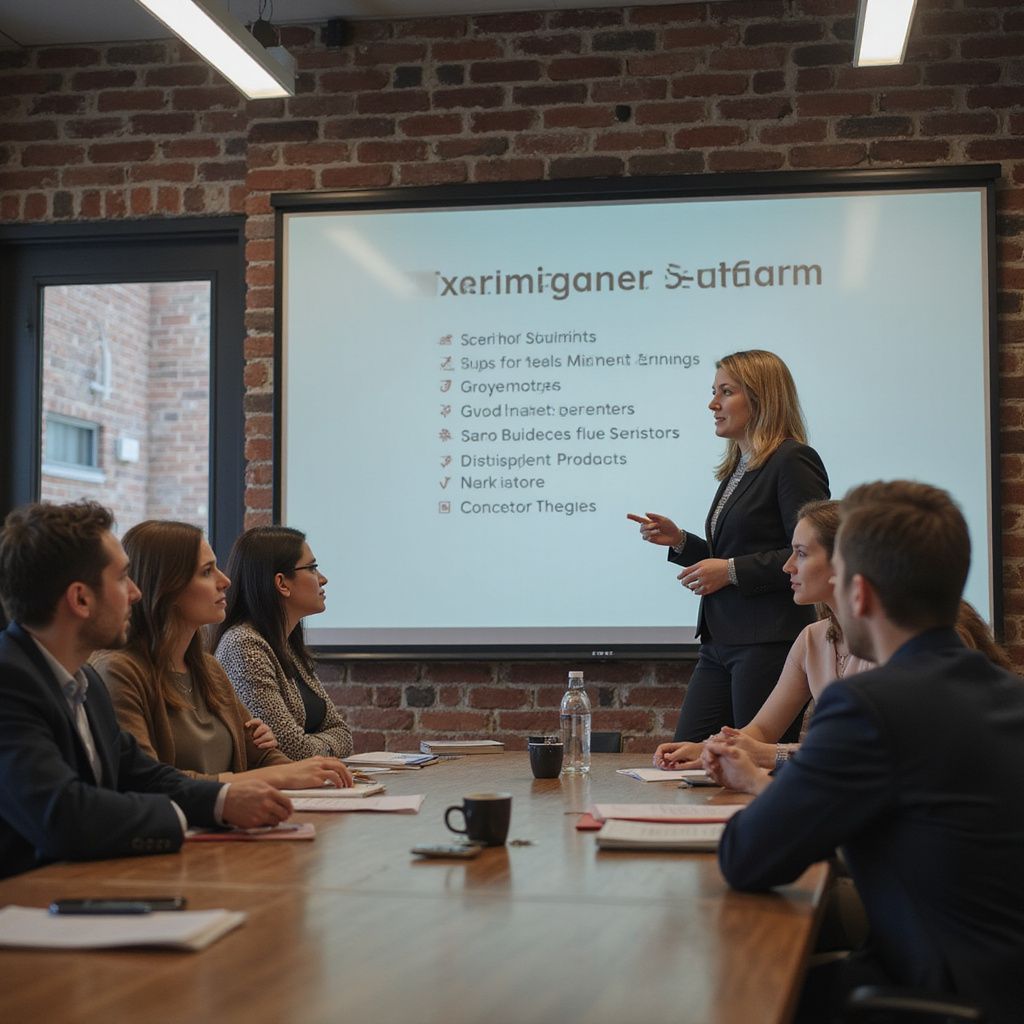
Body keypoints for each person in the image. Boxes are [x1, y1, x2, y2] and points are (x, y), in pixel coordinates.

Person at [711, 481, 1024, 1024]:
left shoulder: (867, 707)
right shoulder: (1009, 695)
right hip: (1000, 979)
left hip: (942, 992)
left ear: (858, 594)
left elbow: (746, 858)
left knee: (731, 985)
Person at [0, 501, 292, 879]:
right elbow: (63, 815)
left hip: (82, 888)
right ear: (81, 599)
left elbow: (146, 776)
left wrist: (222, 801)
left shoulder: (83, 683)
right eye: (122, 578)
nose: (136, 593)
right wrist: (180, 813)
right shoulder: (11, 683)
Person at [628, 349, 829, 743]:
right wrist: (682, 542)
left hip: (766, 642)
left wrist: (731, 570)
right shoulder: (741, 466)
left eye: (726, 391)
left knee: (748, 763)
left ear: (761, 398)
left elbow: (811, 553)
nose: (712, 403)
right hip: (720, 641)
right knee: (686, 756)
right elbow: (735, 551)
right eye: (714, 391)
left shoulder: (792, 460)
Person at [93, 520, 352, 789]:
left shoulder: (208, 667)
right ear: (166, 587)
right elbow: (148, 782)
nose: (225, 581)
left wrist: (305, 771)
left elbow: (265, 754)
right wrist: (278, 774)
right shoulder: (119, 671)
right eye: (207, 572)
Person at [652, 499, 872, 772]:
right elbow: (762, 730)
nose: (787, 566)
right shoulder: (811, 639)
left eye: (801, 554)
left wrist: (768, 755)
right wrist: (708, 747)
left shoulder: (890, 643)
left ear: (844, 561)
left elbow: (865, 754)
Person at [213, 526, 353, 761]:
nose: (323, 579)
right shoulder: (245, 646)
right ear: (282, 583)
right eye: (312, 568)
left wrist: (313, 746)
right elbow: (290, 750)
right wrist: (323, 746)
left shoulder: (286, 644)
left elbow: (344, 734)